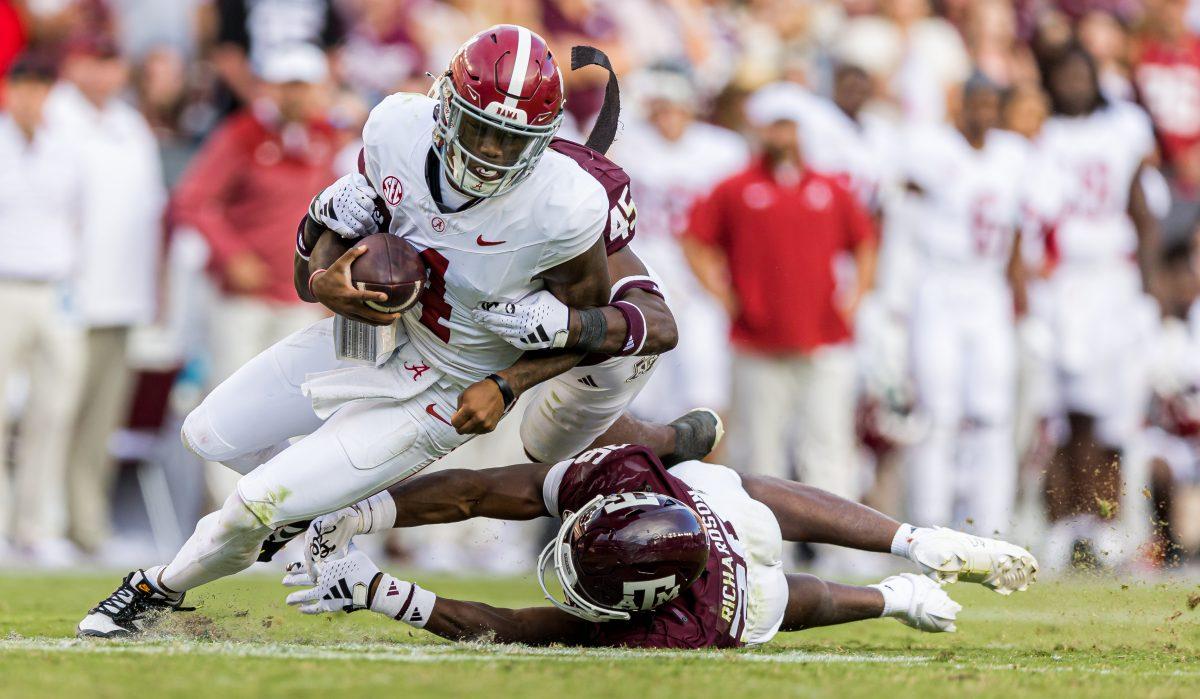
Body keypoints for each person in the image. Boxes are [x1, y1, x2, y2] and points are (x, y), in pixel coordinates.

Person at [75, 25, 710, 638]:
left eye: (508, 141)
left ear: (542, 143)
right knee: (205, 434)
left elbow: (597, 327)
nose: (489, 154)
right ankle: (310, 510)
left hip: (447, 386)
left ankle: (156, 587)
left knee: (253, 504)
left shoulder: (566, 206)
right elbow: (313, 276)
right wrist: (315, 253)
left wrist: (511, 380)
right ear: (444, 107)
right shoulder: (395, 132)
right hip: (375, 340)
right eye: (479, 130)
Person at [282, 442, 1037, 647]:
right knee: (728, 482)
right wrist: (365, 514)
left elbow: (515, 628)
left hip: (733, 575)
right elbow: (483, 488)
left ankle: (892, 593)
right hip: (706, 501)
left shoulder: (683, 622)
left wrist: (383, 592)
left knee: (772, 603)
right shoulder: (627, 471)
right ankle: (915, 541)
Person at [683, 90, 877, 504]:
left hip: (825, 335)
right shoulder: (735, 188)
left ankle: (833, 544)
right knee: (759, 449)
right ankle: (761, 542)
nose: (781, 135)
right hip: (758, 338)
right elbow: (696, 240)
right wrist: (725, 296)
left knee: (828, 444)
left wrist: (856, 295)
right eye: (774, 125)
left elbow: (864, 242)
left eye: (788, 125)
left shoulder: (830, 188)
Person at [171, 43, 337, 496]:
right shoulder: (242, 134)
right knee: (231, 406)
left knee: (297, 412)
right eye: (288, 86)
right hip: (242, 299)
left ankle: (282, 516)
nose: (296, 96)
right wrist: (231, 254)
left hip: (298, 298)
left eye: (304, 86)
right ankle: (226, 517)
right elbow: (194, 201)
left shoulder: (325, 138)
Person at [1033, 45, 1161, 569]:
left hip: (1112, 275)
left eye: (1082, 72)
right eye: (1064, 72)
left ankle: (1110, 520)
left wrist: (1151, 291)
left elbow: (1143, 211)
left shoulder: (1123, 129)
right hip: (1064, 278)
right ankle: (1067, 518)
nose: (1074, 83)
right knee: (1067, 409)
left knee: (1115, 408)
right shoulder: (1045, 134)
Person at [46, 36, 166, 556]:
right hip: (66, 296)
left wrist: (154, 288)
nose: (107, 72)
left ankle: (86, 526)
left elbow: (149, 214)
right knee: (53, 415)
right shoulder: (53, 119)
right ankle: (41, 525)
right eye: (97, 60)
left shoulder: (130, 125)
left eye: (114, 61)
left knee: (100, 422)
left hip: (123, 296)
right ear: (74, 64)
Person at [900, 75, 1032, 537]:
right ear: (958, 105)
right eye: (973, 103)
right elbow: (902, 204)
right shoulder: (931, 147)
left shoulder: (1013, 154)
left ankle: (989, 525)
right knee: (938, 412)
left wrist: (1020, 294)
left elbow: (1016, 231)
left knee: (993, 411)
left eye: (989, 105)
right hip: (940, 284)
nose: (981, 113)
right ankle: (930, 526)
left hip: (987, 286)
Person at [610, 64, 748, 423]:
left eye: (676, 105)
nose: (668, 115)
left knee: (706, 390)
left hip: (700, 277)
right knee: (642, 393)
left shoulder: (723, 149)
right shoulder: (630, 143)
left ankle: (704, 472)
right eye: (661, 105)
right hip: (645, 272)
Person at [0, 55, 85, 564]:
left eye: (39, 87)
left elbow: (79, 219)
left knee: (53, 410)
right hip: (4, 286)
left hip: (56, 289)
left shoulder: (66, 148)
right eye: (21, 87)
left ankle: (37, 527)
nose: (30, 98)